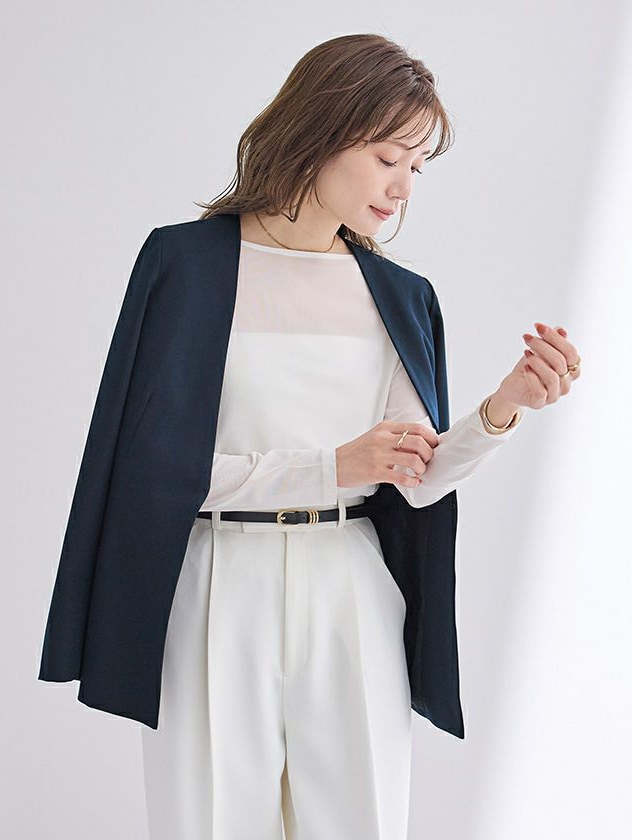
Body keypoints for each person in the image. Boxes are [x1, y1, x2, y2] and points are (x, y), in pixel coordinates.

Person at [135, 33, 581, 840]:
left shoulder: (397, 294)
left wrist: (503, 408)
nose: (402, 188)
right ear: (323, 129)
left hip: (349, 589)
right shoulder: (187, 265)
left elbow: (415, 476)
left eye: (418, 167)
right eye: (387, 158)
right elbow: (156, 471)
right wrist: (330, 464)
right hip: (214, 586)